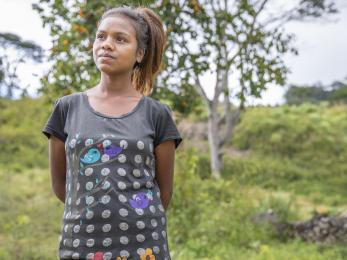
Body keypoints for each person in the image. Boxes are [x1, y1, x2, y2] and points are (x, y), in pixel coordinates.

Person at [42, 5, 182, 260]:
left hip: (144, 245)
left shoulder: (157, 114)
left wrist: (132, 217)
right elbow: (61, 185)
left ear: (139, 54)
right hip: (80, 245)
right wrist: (94, 211)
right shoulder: (67, 109)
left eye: (120, 39)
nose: (107, 44)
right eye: (101, 36)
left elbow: (164, 192)